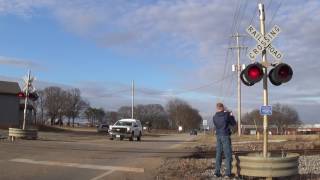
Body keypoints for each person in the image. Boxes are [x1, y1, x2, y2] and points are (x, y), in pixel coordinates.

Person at [212, 102, 236, 178]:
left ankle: (217, 172)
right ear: (222, 108)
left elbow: (217, 126)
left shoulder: (214, 117)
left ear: (217, 108)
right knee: (227, 154)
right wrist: (231, 115)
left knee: (218, 154)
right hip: (225, 135)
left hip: (218, 136)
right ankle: (227, 173)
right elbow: (233, 123)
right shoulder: (227, 115)